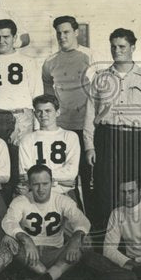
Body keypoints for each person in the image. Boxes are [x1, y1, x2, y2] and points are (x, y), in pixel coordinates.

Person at [84, 28, 141, 247]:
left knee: (135, 194)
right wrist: (90, 146)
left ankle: (136, 244)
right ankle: (107, 246)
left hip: (136, 141)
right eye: (114, 47)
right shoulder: (100, 78)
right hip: (107, 139)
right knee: (105, 192)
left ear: (133, 48)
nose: (117, 51)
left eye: (122, 47)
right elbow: (90, 115)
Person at [0, 19, 41, 199]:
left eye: (6, 36)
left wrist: (37, 126)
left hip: (21, 116)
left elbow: (37, 94)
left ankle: (21, 206)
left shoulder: (28, 62)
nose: (1, 41)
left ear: (14, 38)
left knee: (21, 165)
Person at [0, 165, 91, 280]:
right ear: (29, 185)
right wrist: (26, 239)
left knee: (85, 240)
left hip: (56, 253)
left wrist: (76, 238)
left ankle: (47, 277)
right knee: (8, 241)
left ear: (52, 182)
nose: (41, 189)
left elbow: (81, 220)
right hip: (30, 255)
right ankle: (50, 276)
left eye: (45, 183)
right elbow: (9, 221)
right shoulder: (20, 201)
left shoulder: (62, 200)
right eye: (36, 184)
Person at [41, 15, 94, 208]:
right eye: (58, 33)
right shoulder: (50, 62)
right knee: (65, 182)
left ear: (76, 32)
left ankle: (93, 228)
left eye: (66, 32)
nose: (62, 36)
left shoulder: (90, 56)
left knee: (90, 181)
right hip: (63, 130)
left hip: (86, 128)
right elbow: (48, 94)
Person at [83, 179, 141, 280]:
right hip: (129, 263)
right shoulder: (116, 213)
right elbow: (108, 249)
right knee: (89, 258)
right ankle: (131, 278)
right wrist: (127, 262)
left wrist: (135, 262)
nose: (127, 196)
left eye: (131, 191)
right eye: (123, 192)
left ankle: (119, 278)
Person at [17, 95, 81, 199]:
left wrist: (38, 178)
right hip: (37, 195)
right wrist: (58, 181)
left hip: (64, 194)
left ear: (57, 112)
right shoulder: (27, 139)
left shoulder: (70, 136)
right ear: (34, 114)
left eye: (48, 111)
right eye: (39, 111)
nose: (43, 115)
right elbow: (25, 175)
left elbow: (71, 173)